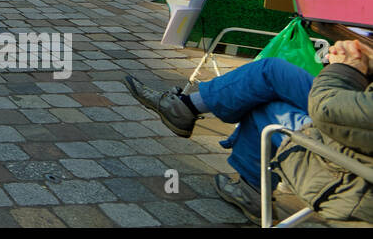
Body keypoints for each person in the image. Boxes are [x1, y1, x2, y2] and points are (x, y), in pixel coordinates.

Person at [124, 43, 373, 224]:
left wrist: (347, 70)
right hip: (358, 131)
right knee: (271, 71)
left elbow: (329, 112)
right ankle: (185, 108)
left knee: (264, 106)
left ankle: (251, 189)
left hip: (351, 169)